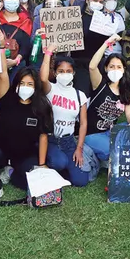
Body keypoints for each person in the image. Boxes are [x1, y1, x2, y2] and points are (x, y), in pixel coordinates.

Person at [0, 48, 52, 207]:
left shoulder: (41, 107)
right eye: (22, 83)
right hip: (0, 150)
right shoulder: (7, 97)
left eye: (30, 84)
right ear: (16, 84)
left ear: (36, 87)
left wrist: (42, 163)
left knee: (31, 184)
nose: (25, 87)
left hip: (24, 154)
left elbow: (43, 136)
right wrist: (1, 49)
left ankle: (10, 172)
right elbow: (2, 74)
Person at [39, 46, 95, 186]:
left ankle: (62, 169)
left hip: (69, 142)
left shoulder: (79, 95)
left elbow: (83, 124)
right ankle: (50, 163)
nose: (65, 74)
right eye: (61, 71)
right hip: (51, 139)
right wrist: (48, 53)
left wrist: (79, 148)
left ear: (74, 73)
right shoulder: (50, 89)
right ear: (55, 72)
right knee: (59, 162)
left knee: (81, 181)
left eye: (68, 71)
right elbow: (43, 77)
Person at [85, 35, 130, 163]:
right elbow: (92, 66)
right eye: (112, 66)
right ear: (106, 68)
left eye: (119, 67)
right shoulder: (99, 83)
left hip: (110, 132)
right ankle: (105, 155)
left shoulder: (126, 89)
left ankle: (116, 154)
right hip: (91, 134)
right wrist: (106, 43)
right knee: (113, 150)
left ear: (124, 70)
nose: (115, 70)